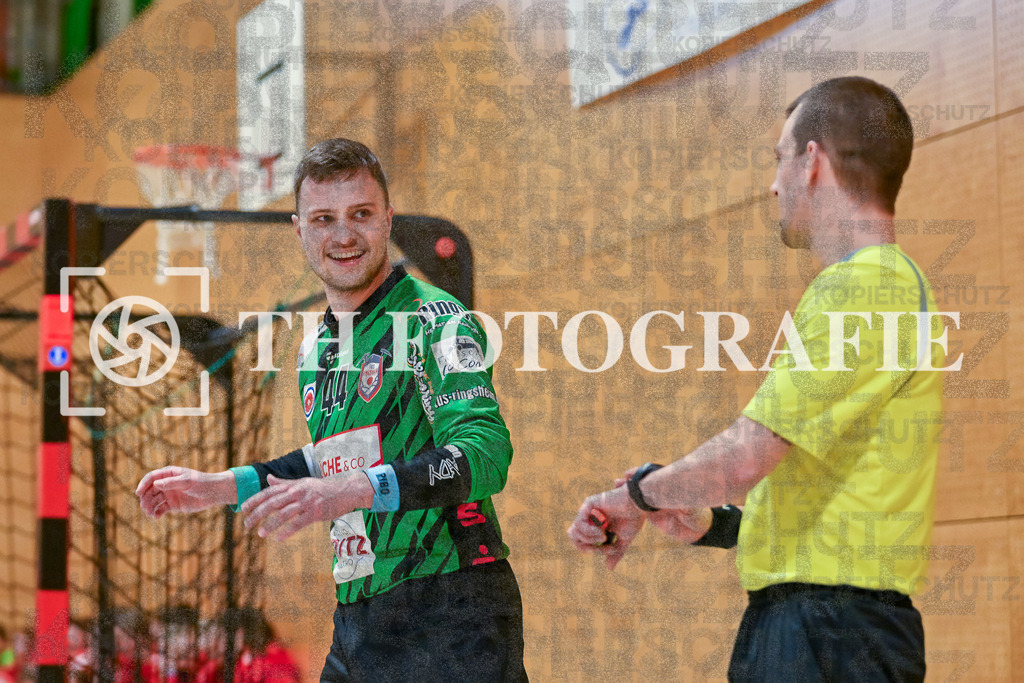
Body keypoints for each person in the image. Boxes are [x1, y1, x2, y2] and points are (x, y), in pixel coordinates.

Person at [568, 77, 941, 681]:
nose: (773, 183)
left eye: (780, 158)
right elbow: (827, 482)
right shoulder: (878, 287)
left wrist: (633, 496)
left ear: (812, 161)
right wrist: (712, 522)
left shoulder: (865, 288)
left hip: (828, 635)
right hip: (826, 628)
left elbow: (745, 457)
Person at [136, 138, 527, 681]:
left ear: (387, 220)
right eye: (324, 218)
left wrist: (350, 491)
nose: (343, 235)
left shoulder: (434, 318)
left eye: (360, 215)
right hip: (359, 616)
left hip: (451, 608)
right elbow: (330, 460)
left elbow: (483, 456)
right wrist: (218, 486)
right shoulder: (315, 349)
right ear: (300, 229)